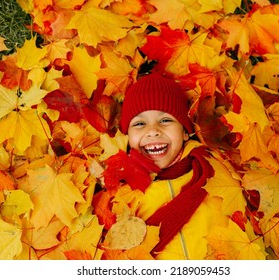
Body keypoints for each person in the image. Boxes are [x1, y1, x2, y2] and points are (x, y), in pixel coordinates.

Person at [94, 71, 240, 260]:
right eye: (139, 123)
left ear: (186, 131)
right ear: (127, 138)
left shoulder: (217, 170)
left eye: (165, 120)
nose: (153, 130)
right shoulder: (117, 194)